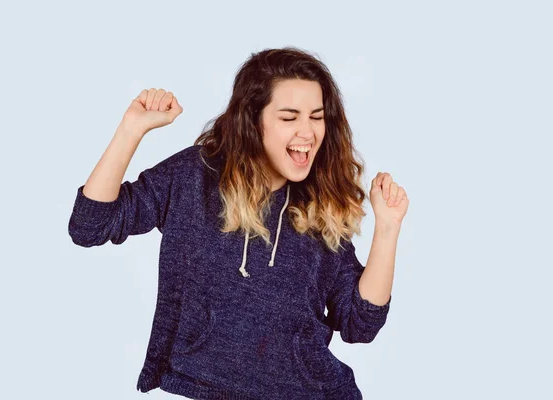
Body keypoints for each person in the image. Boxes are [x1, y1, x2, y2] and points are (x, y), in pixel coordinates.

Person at [68, 47, 409, 400]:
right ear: (253, 119)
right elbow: (90, 225)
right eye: (289, 117)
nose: (307, 132)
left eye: (317, 117)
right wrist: (131, 130)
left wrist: (388, 228)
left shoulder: (322, 206)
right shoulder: (194, 177)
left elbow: (359, 323)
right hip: (195, 386)